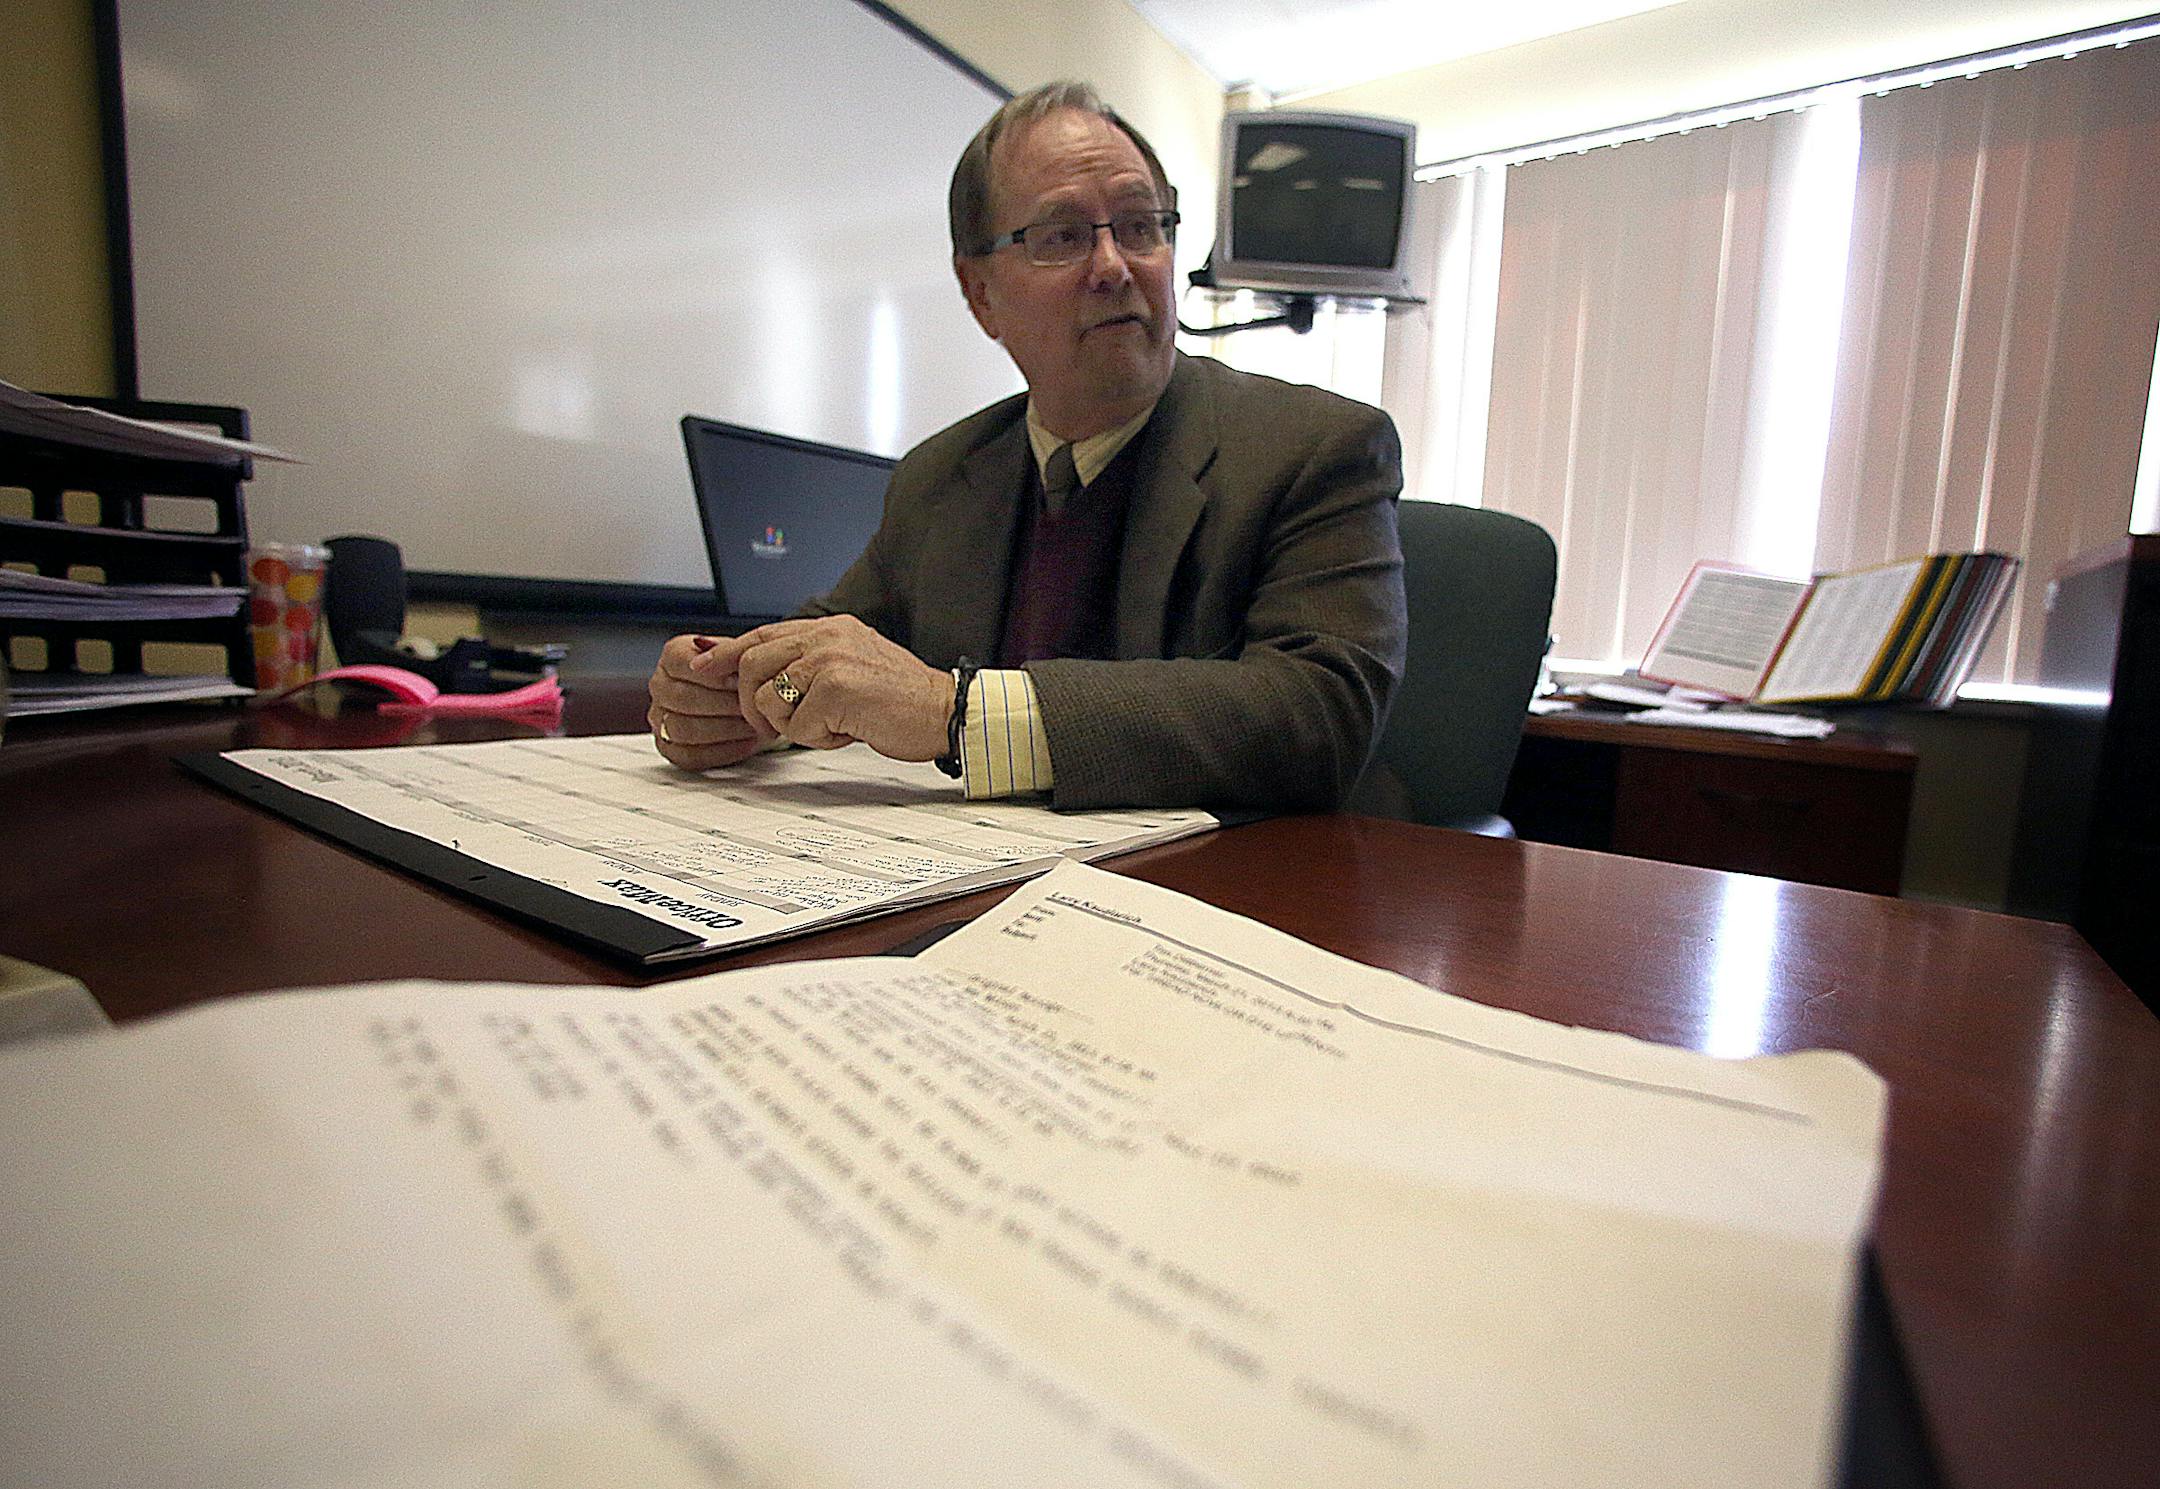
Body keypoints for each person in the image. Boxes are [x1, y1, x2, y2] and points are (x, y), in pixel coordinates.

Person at [648, 81, 1406, 811]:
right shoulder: (940, 475)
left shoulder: (1317, 448)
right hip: (963, 889)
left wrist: (956, 713)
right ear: (981, 294)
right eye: (1062, 236)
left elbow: (1320, 715)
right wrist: (733, 696)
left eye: (1140, 226)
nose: (1114, 266)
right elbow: (833, 652)